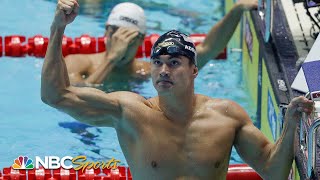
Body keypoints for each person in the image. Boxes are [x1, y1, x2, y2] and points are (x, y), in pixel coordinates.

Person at [41, 1, 315, 179]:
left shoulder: (226, 116)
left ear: (194, 70)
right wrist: (57, 28)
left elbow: (273, 171)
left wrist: (290, 123)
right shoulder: (130, 113)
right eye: (157, 63)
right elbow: (55, 95)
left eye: (174, 63)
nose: (163, 70)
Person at [65, 0, 258, 86]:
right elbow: (75, 99)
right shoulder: (77, 62)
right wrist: (112, 60)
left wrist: (236, 11)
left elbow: (207, 49)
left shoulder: (148, 71)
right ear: (105, 31)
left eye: (128, 37)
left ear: (141, 40)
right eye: (115, 34)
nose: (120, 42)